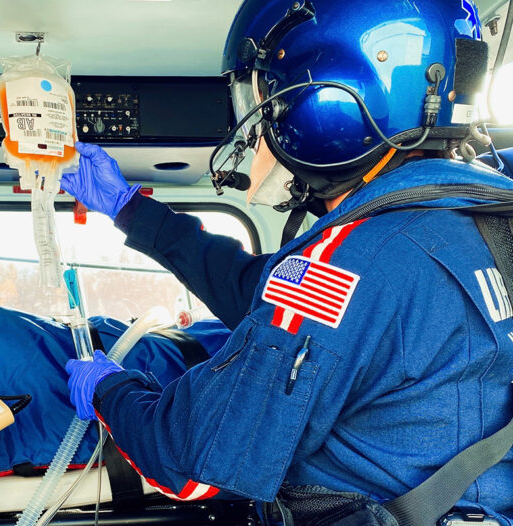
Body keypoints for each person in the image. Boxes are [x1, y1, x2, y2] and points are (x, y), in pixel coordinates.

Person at [62, 0, 513, 524]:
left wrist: (109, 390)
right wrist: (129, 209)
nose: (254, 130)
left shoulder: (352, 259)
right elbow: (262, 291)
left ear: (320, 101)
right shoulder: (476, 217)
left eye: (262, 101)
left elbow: (192, 463)